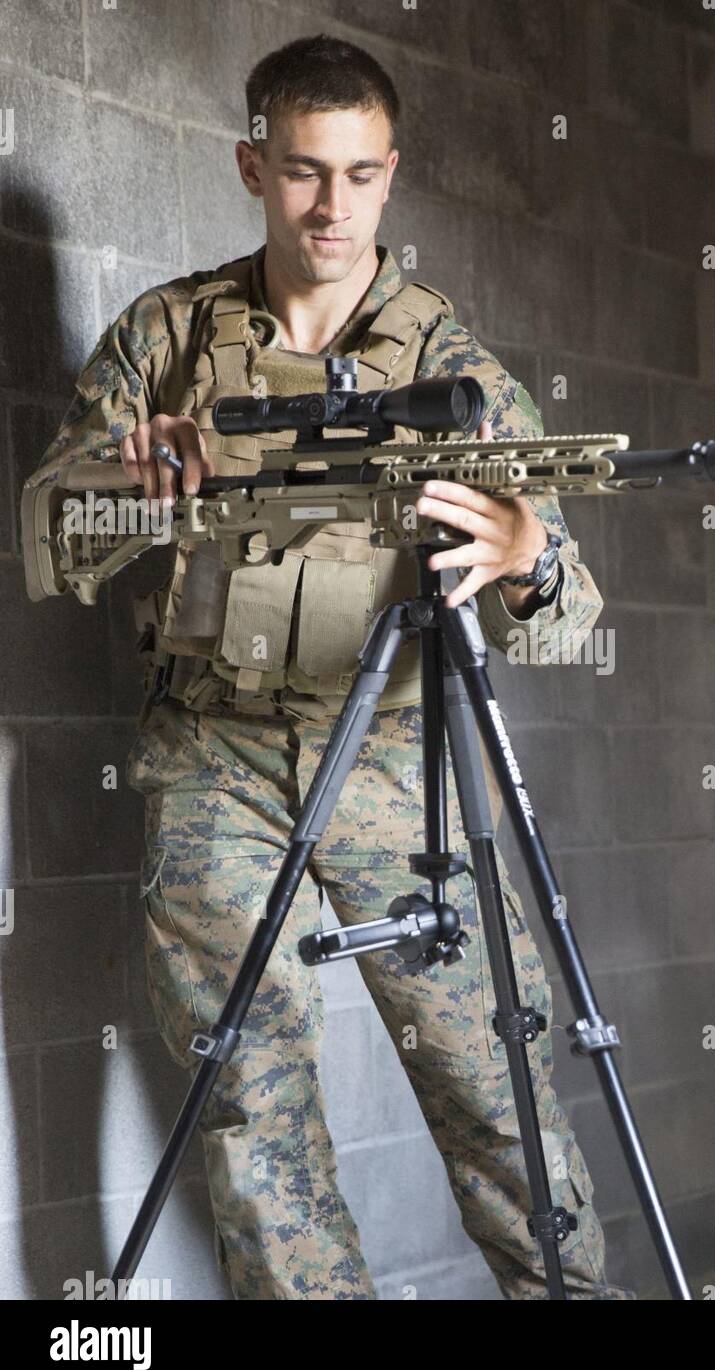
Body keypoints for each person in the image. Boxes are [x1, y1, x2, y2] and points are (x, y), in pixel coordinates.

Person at [22, 33, 633, 1302]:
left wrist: (523, 548)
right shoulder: (168, 340)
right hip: (215, 761)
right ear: (254, 166)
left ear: (392, 175)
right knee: (249, 1115)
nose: (333, 208)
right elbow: (51, 537)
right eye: (303, 172)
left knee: (500, 1089)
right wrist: (130, 482)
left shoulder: (449, 368)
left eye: (360, 176)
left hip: (397, 767)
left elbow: (569, 612)